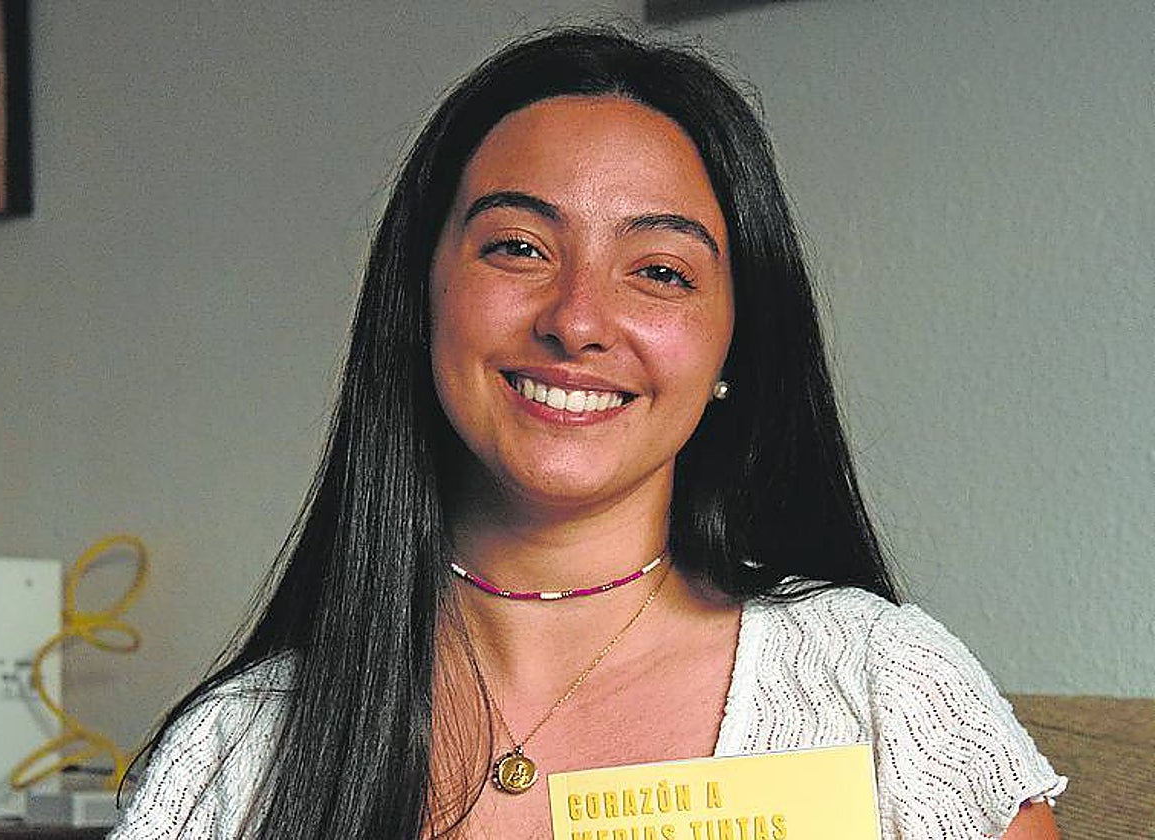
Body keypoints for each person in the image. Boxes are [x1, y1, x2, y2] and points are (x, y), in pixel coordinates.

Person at [109, 26, 1065, 840]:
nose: (577, 320)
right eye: (518, 248)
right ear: (421, 298)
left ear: (735, 342)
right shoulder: (236, 755)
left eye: (660, 271)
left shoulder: (881, 690)